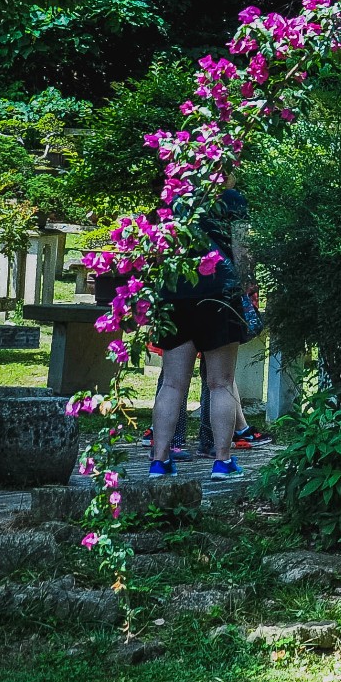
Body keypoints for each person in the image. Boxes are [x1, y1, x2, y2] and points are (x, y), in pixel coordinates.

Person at [148, 178, 258, 478]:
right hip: (219, 293)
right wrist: (249, 286)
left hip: (176, 292)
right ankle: (221, 462)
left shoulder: (173, 197)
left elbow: (160, 251)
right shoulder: (233, 199)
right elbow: (243, 249)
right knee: (220, 383)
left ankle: (159, 460)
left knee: (172, 383)